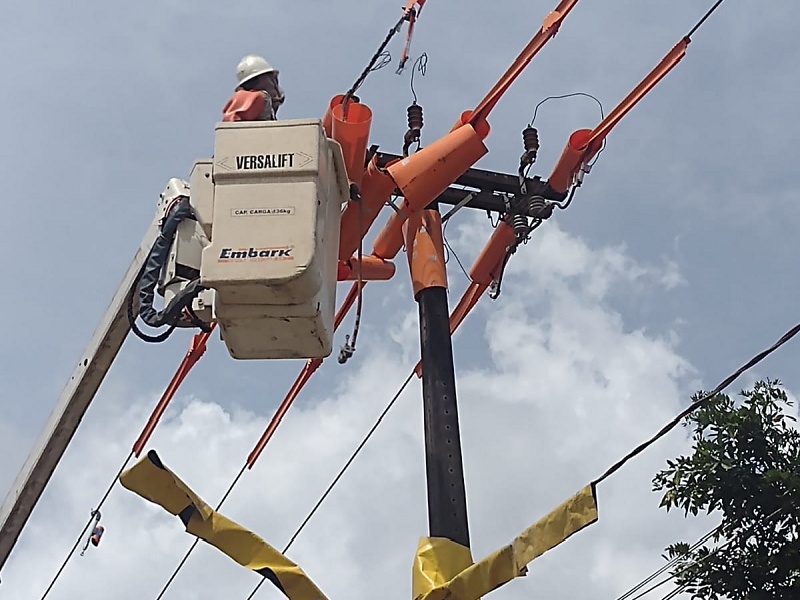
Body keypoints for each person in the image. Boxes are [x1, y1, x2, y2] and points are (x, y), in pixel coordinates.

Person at [222, 55, 286, 122]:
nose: (275, 85)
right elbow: (233, 119)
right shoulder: (259, 98)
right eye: (272, 79)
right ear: (262, 80)